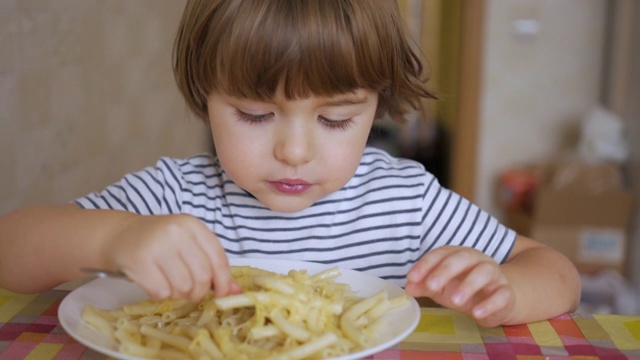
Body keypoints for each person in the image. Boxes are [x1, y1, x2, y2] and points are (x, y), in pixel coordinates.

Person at [0, 0, 580, 328]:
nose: (295, 152)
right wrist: (115, 238)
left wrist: (506, 288)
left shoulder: (405, 201)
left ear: (376, 103)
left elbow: (557, 273)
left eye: (335, 120)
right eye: (254, 114)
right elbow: (11, 248)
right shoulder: (176, 196)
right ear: (206, 96)